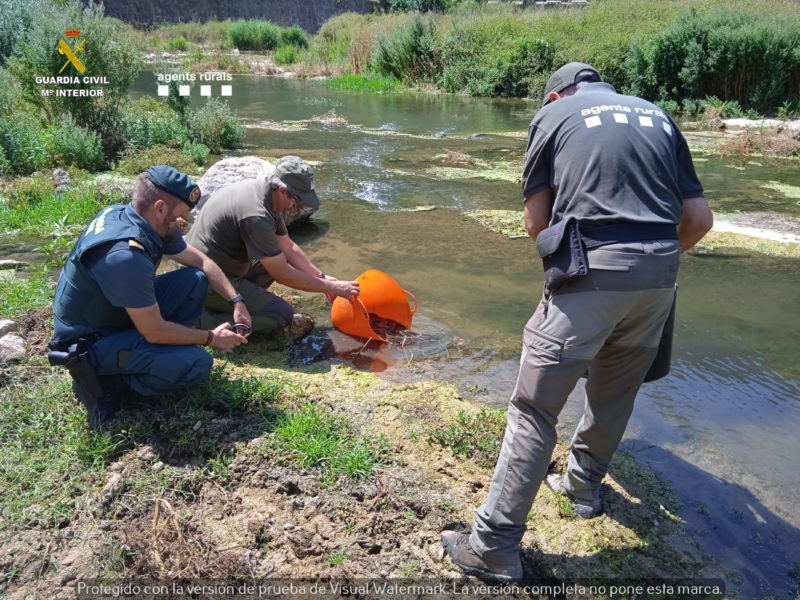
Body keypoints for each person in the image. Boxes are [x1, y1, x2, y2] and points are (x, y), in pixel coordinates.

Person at [441, 63, 713, 582]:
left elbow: (534, 224)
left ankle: (493, 548)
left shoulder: (553, 117)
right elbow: (699, 221)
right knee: (615, 392)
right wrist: (649, 263)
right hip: (661, 274)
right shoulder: (658, 114)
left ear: (553, 94)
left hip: (591, 272)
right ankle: (584, 487)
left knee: (534, 408)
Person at [49, 166, 252, 429]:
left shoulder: (133, 217)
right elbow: (154, 330)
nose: (182, 225)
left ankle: (160, 351)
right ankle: (109, 382)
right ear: (159, 208)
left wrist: (236, 301)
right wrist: (212, 338)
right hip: (89, 342)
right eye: (179, 218)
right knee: (198, 363)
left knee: (194, 280)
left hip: (113, 316)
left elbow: (202, 262)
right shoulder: (124, 255)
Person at [185, 155, 359, 336]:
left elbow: (288, 247)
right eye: (299, 201)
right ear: (283, 190)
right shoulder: (257, 216)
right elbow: (283, 275)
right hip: (201, 280)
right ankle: (200, 321)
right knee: (281, 315)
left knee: (276, 259)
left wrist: (322, 277)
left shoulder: (266, 194)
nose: (299, 207)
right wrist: (331, 288)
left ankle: (233, 302)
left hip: (216, 267)